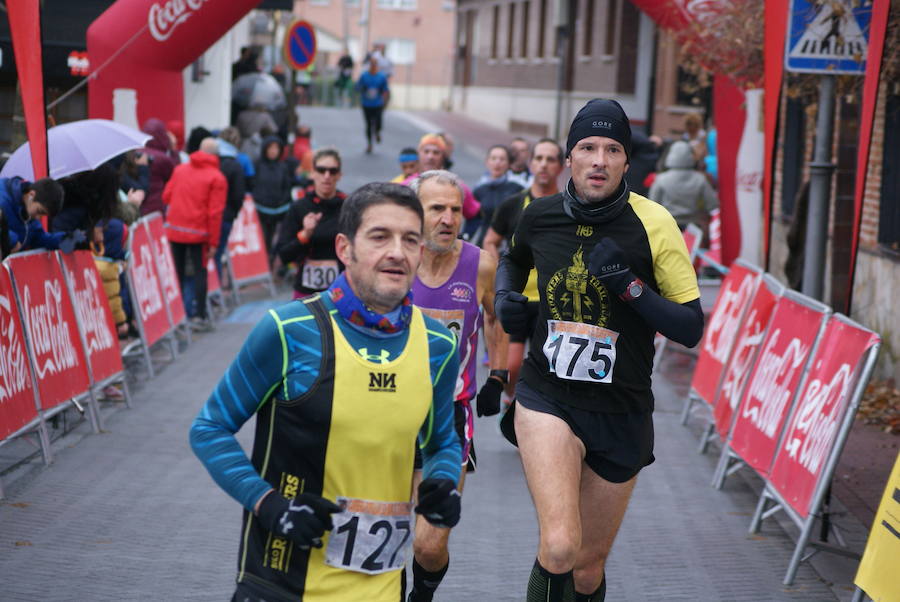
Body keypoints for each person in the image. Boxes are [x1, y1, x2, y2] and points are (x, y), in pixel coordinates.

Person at [190, 182, 463, 601]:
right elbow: (209, 429)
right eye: (379, 236)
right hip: (282, 584)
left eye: (410, 239)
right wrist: (270, 505)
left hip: (382, 589)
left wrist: (442, 484)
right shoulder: (288, 330)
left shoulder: (438, 345)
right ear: (344, 248)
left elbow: (443, 441)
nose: (397, 251)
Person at [495, 99, 704, 601]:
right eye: (587, 147)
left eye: (613, 150)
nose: (599, 160)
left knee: (587, 568)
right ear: (569, 157)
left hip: (621, 409)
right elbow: (512, 260)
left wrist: (630, 287)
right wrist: (506, 298)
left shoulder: (655, 224)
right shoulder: (540, 216)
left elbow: (690, 327)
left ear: (627, 162)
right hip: (549, 397)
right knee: (561, 546)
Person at [407, 170, 508, 602]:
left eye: (455, 209)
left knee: (429, 543)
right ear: (415, 214)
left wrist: (497, 376)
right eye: (436, 209)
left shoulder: (480, 264)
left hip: (448, 417)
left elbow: (495, 317)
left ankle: (422, 595)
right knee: (389, 532)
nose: (448, 219)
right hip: (385, 408)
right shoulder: (392, 261)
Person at [483, 138, 565, 397]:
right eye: (538, 158)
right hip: (518, 299)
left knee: (550, 371)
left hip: (553, 302)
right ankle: (512, 402)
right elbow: (490, 240)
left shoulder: (570, 207)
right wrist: (501, 279)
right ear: (530, 163)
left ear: (562, 166)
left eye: (550, 159)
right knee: (511, 367)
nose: (543, 165)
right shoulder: (513, 204)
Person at [162, 137, 226, 329]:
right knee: (200, 272)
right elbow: (215, 213)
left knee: (178, 272)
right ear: (215, 155)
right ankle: (199, 316)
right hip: (199, 232)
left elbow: (166, 196)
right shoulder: (217, 177)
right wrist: (214, 242)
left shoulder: (180, 169)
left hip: (175, 229)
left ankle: (178, 315)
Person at [276, 149, 347, 299]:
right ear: (312, 173)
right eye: (321, 170)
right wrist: (305, 234)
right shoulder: (299, 207)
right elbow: (284, 255)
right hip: (306, 292)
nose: (327, 176)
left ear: (339, 175)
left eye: (333, 171)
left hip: (342, 292)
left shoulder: (349, 207)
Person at [403, 134, 480, 221]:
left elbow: (474, 214)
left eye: (436, 153)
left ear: (443, 157)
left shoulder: (456, 186)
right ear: (419, 154)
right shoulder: (406, 185)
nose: (430, 157)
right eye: (426, 151)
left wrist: (466, 234)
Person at [647, 140, 719, 230]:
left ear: (670, 155)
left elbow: (653, 205)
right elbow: (712, 204)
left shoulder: (661, 179)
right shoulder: (700, 179)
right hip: (694, 228)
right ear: (690, 156)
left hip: (668, 226)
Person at [467, 145, 523, 244]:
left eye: (502, 159)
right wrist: (464, 238)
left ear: (509, 163)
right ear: (487, 162)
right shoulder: (479, 190)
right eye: (493, 158)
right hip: (483, 243)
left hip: (508, 245)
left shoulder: (517, 189)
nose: (497, 163)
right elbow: (472, 221)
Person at [252, 135, 293, 262]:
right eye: (270, 148)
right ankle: (260, 264)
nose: (273, 151)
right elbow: (252, 184)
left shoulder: (283, 167)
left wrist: (283, 201)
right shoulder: (257, 165)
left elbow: (287, 186)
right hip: (260, 209)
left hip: (277, 210)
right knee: (261, 238)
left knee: (274, 239)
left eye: (276, 148)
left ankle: (269, 263)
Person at [0, 176, 67, 253]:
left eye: (44, 215)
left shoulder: (29, 210)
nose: (38, 217)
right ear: (31, 195)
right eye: (39, 211)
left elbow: (38, 239)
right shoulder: (2, 198)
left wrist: (65, 239)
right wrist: (10, 240)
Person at [215, 127, 248, 279]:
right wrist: (233, 213)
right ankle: (216, 291)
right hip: (225, 215)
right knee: (218, 253)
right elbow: (238, 195)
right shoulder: (235, 165)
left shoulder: (212, 159)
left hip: (207, 214)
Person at [140, 118, 177, 216]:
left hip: (139, 203)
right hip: (156, 205)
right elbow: (175, 176)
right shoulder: (163, 159)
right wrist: (173, 150)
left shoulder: (137, 153)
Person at [356, 59, 389, 154]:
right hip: (366, 104)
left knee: (378, 122)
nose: (373, 66)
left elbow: (385, 90)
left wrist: (385, 102)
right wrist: (362, 88)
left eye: (375, 64)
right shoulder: (364, 76)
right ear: (369, 65)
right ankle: (369, 144)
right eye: (372, 64)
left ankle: (377, 132)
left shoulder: (381, 76)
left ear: (377, 65)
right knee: (368, 125)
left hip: (378, 103)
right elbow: (357, 87)